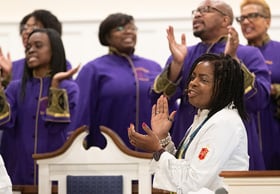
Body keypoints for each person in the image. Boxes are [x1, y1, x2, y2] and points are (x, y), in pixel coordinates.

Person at [150, 0, 271, 170]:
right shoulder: (185, 53)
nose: (198, 14)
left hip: (231, 142)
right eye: (196, 11)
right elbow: (158, 99)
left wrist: (233, 60)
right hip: (188, 137)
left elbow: (259, 100)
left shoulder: (248, 53)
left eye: (206, 10)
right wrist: (177, 66)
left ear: (225, 20)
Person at [128, 53, 249, 193]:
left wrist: (157, 150)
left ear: (223, 86)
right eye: (192, 77)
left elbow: (194, 182)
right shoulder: (206, 117)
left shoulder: (225, 122)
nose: (193, 83)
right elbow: (184, 167)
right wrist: (162, 138)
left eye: (203, 79)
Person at [0, 28, 80, 185]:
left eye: (38, 45)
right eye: (28, 47)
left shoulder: (69, 88)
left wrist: (55, 86)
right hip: (18, 169)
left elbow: (57, 127)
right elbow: (4, 121)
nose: (31, 50)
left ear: (54, 50)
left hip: (56, 172)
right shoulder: (16, 88)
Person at [73, 13, 162, 150]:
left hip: (150, 154)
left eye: (132, 28)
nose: (128, 31)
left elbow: (167, 107)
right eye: (119, 28)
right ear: (107, 37)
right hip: (106, 152)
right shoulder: (93, 69)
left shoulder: (153, 67)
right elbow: (81, 112)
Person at [236, 0, 280, 170]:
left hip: (274, 127)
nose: (246, 21)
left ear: (267, 20)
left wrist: (274, 89)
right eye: (242, 18)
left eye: (253, 16)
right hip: (247, 131)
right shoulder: (236, 54)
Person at [12, 9, 72, 81]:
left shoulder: (63, 65)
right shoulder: (13, 66)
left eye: (34, 28)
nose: (27, 31)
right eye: (25, 27)